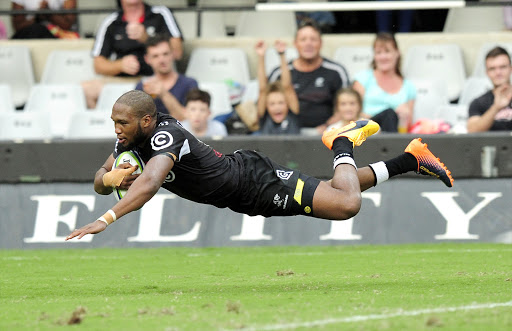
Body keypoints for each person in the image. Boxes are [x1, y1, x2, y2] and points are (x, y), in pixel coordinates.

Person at [65, 90, 453, 241]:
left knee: (347, 205)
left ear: (145, 121)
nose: (116, 130)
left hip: (253, 181)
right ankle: (410, 159)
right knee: (337, 193)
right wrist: (110, 178)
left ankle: (341, 142)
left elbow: (149, 183)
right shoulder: (128, 139)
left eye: (122, 123)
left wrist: (107, 218)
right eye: (114, 123)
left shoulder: (166, 136)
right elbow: (101, 179)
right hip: (244, 193)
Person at [81, 0, 183, 109]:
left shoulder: (160, 13)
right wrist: (120, 65)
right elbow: (98, 65)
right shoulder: (111, 21)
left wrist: (147, 38)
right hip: (121, 81)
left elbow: (177, 53)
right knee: (84, 90)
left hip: (155, 77)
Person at [268, 19, 350, 133]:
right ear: (295, 44)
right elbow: (265, 105)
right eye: (303, 39)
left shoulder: (336, 71)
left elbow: (347, 107)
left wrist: (327, 126)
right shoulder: (279, 73)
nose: (308, 43)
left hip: (327, 133)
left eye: (313, 39)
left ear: (321, 43)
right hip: (287, 134)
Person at [353, 32, 416, 133]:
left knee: (390, 116)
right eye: (378, 52)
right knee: (389, 114)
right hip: (367, 133)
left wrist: (404, 117)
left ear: (397, 53)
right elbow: (352, 113)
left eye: (387, 51)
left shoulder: (409, 87)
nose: (383, 57)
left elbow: (408, 127)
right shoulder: (363, 79)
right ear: (374, 56)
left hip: (395, 131)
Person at [135, 34, 198, 120]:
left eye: (165, 54)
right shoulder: (142, 87)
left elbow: (188, 119)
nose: (162, 60)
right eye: (155, 56)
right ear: (147, 59)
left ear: (173, 54)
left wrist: (164, 94)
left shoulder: (189, 84)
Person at [255, 39, 300, 135]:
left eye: (281, 103)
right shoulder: (264, 117)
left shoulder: (292, 114)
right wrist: (261, 56)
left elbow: (287, 87)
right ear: (266, 106)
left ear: (288, 103)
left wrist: (282, 54)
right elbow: (262, 89)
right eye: (272, 104)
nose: (277, 107)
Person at [467, 46, 512, 132]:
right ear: (487, 73)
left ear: (511, 69)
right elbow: (472, 131)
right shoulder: (478, 103)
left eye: (502, 67)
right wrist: (496, 107)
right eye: (492, 69)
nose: (498, 72)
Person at [11, 0, 78, 39]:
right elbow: (18, 27)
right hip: (29, 34)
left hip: (56, 35)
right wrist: (37, 16)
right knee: (37, 29)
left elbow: (68, 25)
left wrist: (49, 13)